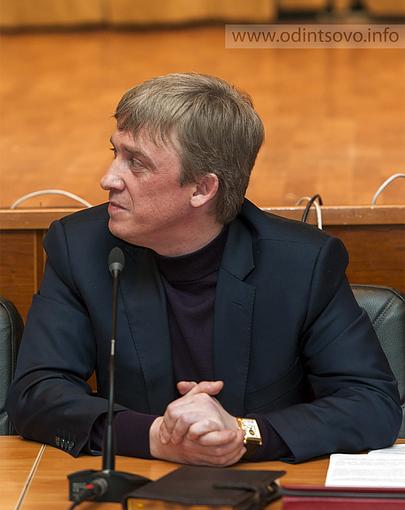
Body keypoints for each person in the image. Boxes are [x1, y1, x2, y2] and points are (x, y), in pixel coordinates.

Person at [6, 73, 401, 466]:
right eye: (116, 152)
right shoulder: (80, 247)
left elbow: (371, 403)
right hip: (135, 482)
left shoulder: (302, 264)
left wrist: (243, 433)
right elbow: (36, 393)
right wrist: (155, 436)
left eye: (136, 163)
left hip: (263, 489)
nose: (108, 179)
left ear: (202, 189)